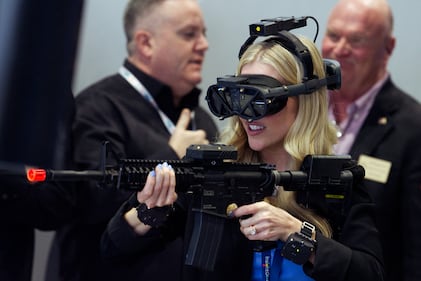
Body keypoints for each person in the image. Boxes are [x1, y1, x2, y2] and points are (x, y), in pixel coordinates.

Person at [101, 28, 385, 280]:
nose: (247, 114)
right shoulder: (213, 175)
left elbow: (369, 272)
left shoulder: (335, 182)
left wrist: (297, 233)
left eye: (261, 100)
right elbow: (112, 249)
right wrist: (147, 211)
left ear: (304, 100)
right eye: (239, 97)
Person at [45, 0, 218, 280]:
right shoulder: (95, 108)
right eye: (189, 34)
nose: (203, 45)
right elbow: (88, 200)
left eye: (203, 34)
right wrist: (170, 156)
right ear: (145, 43)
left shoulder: (203, 118)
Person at [321, 1, 421, 280]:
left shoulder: (412, 128)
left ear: (387, 49)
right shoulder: (299, 111)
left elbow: (416, 246)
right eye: (333, 36)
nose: (340, 49)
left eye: (356, 40)